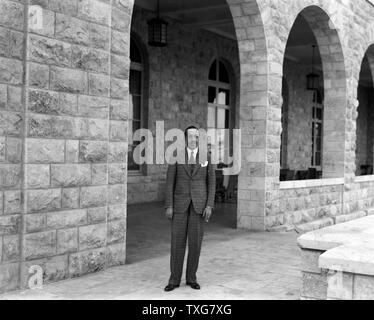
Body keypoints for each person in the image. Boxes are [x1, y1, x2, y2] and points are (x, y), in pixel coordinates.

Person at [164, 126, 216, 292]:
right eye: (191, 136)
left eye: (197, 136)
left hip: (199, 206)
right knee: (177, 243)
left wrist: (209, 205)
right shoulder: (176, 156)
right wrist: (169, 205)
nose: (194, 139)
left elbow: (212, 182)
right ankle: (174, 280)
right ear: (185, 138)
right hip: (179, 205)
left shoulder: (206, 156)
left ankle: (191, 278)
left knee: (195, 244)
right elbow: (169, 182)